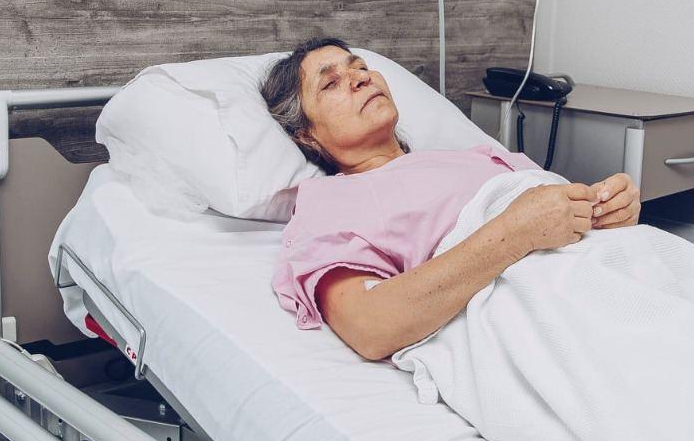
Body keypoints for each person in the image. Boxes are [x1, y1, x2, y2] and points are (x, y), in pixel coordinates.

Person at [260, 37, 641, 359]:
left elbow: (554, 215)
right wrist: (514, 234)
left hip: (624, 270)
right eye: (330, 83)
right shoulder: (331, 201)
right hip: (555, 305)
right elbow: (369, 327)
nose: (360, 78)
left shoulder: (479, 157)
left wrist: (607, 209)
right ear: (307, 135)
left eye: (360, 67)